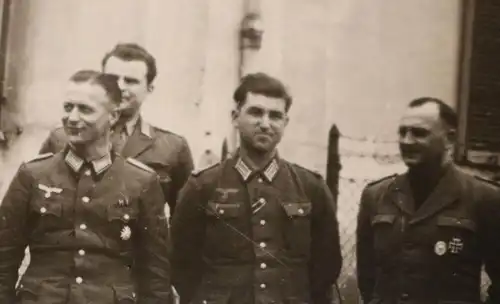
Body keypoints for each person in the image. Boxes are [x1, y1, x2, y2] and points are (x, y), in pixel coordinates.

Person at [0, 70, 172, 303]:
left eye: (85, 109)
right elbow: (4, 258)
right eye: (68, 107)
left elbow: (155, 274)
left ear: (113, 116)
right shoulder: (33, 175)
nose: (72, 117)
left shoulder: (141, 182)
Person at [171, 72, 342, 304]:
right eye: (255, 112)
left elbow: (326, 267)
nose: (265, 124)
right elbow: (181, 263)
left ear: (285, 123)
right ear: (235, 117)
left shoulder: (311, 188)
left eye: (275, 116)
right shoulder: (203, 186)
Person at [356, 97, 500, 304]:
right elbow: (368, 278)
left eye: (419, 133)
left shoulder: (484, 198)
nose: (406, 141)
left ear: (449, 139)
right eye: (402, 132)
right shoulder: (376, 195)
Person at [39, 43, 194, 216]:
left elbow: (184, 219)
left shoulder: (171, 148)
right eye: (112, 78)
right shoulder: (61, 137)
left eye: (131, 81)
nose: (120, 87)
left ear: (149, 89)